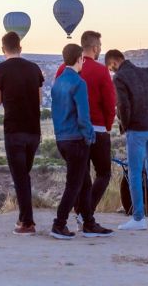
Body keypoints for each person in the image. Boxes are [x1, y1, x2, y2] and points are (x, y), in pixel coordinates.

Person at [106, 49, 148, 231]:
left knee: (135, 173)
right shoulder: (147, 72)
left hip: (137, 128)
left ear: (113, 63)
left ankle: (138, 218)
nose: (112, 72)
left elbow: (123, 104)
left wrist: (125, 125)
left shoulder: (120, 77)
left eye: (111, 68)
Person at [50, 44, 113, 240]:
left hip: (62, 138)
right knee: (75, 184)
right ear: (80, 59)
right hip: (77, 139)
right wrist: (90, 137)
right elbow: (83, 116)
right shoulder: (79, 83)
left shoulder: (57, 82)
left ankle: (89, 223)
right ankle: (59, 224)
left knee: (84, 183)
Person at [0, 31, 45, 235]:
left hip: (13, 129)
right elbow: (40, 99)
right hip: (33, 130)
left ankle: (27, 223)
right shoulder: (34, 68)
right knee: (24, 175)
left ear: (2, 49)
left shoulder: (0, 69)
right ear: (20, 47)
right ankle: (24, 218)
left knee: (20, 177)